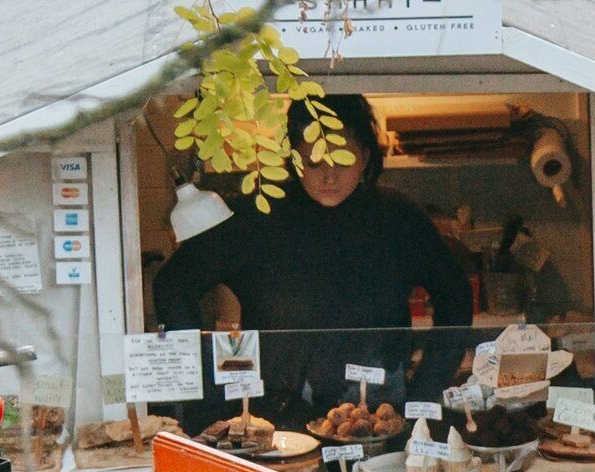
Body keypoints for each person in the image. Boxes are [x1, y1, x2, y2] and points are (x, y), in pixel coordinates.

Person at [151, 94, 477, 416]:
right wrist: (204, 391)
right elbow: (173, 285)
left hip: (377, 412)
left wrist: (424, 391)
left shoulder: (398, 217)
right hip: (276, 415)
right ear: (293, 159)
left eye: (342, 160)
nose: (329, 177)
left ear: (364, 157)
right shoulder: (256, 216)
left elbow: (456, 295)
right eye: (314, 161)